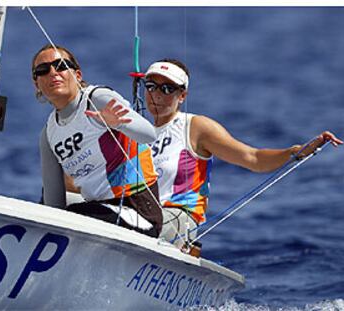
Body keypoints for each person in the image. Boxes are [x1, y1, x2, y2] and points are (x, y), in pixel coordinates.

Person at [143, 58, 343, 246]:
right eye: (151, 86)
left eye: (167, 89)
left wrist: (297, 151)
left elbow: (253, 158)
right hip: (144, 215)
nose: (157, 95)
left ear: (182, 96)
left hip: (179, 220)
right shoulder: (139, 133)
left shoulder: (196, 127)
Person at [32, 43, 162, 237]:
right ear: (37, 84)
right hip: (99, 209)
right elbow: (53, 203)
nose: (53, 72)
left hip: (138, 212)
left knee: (75, 215)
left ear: (77, 75)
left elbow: (149, 134)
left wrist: (118, 124)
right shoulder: (48, 134)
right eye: (43, 70)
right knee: (43, 211)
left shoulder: (98, 98)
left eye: (61, 65)